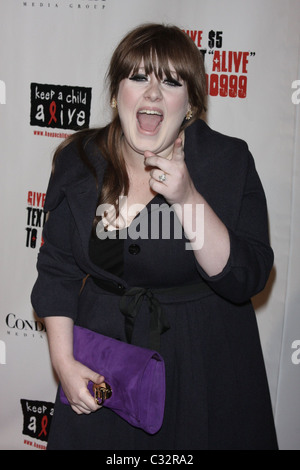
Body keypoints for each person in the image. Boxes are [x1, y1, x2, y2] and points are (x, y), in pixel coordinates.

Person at [31, 23, 278, 450]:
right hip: (106, 367)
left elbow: (246, 279)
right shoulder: (79, 160)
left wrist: (186, 197)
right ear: (114, 95)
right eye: (139, 76)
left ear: (190, 105)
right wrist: (62, 359)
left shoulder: (227, 162)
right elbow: (57, 271)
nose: (152, 92)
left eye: (170, 80)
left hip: (202, 368)